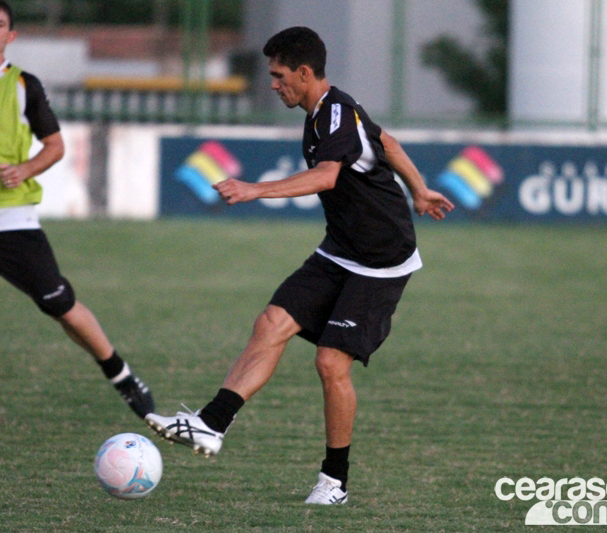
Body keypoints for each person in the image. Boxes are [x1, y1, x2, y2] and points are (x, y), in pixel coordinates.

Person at [146, 26, 453, 504]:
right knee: (272, 322)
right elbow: (387, 141)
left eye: (278, 75)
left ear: (305, 73)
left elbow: (326, 177)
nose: (273, 84)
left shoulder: (335, 114)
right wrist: (418, 188)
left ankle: (335, 483)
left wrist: (253, 189)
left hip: (380, 261)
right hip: (340, 249)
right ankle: (211, 424)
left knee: (330, 363)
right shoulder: (326, 111)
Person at [0, 0, 153, 431]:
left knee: (60, 303)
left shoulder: (25, 85)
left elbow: (55, 146)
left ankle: (120, 373)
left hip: (12, 221)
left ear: (10, 36)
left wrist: (24, 169)